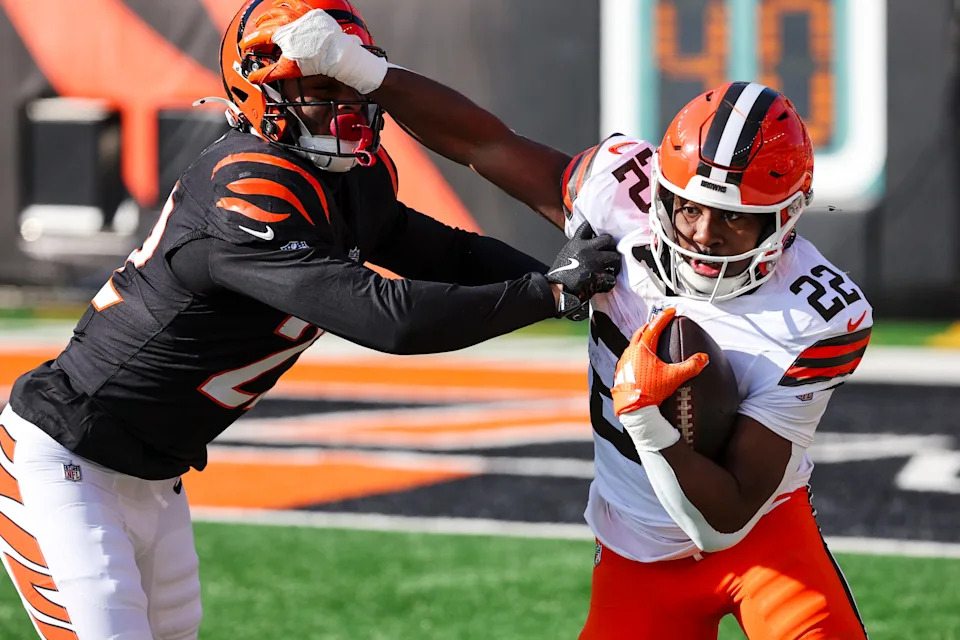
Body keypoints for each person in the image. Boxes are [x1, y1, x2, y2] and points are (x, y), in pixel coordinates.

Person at [0, 1, 622, 638]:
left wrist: (579, 281)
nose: (344, 105)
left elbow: (451, 254)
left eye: (350, 84)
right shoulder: (245, 188)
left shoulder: (349, 176)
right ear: (257, 91)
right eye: (320, 89)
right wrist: (547, 294)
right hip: (69, 458)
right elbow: (392, 319)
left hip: (155, 477)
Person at [273, 8, 877, 639]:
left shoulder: (819, 316)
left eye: (732, 219)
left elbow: (722, 521)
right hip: (634, 550)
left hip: (763, 541)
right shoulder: (620, 195)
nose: (701, 233)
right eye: (688, 208)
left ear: (783, 221)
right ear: (660, 190)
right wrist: (362, 71)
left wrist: (647, 420)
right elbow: (486, 143)